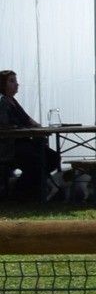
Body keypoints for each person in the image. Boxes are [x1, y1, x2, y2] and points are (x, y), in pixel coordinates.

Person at [0, 70, 64, 200]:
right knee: (37, 161)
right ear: (2, 84)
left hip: (24, 142)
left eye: (16, 81)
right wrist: (21, 128)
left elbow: (28, 119)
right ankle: (20, 190)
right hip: (11, 146)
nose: (16, 84)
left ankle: (25, 188)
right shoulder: (3, 103)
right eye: (12, 81)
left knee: (53, 157)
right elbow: (5, 126)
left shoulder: (13, 101)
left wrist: (39, 127)